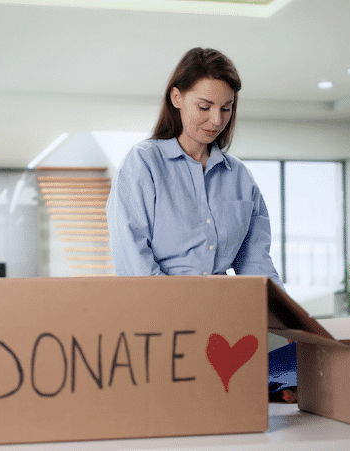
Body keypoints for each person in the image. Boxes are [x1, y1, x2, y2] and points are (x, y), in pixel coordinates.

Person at [106, 47, 282, 288]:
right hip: (160, 309)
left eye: (226, 108)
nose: (217, 120)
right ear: (176, 98)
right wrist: (179, 306)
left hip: (223, 309)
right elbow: (132, 256)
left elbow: (256, 263)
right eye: (204, 107)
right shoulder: (144, 163)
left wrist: (289, 319)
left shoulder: (240, 177)